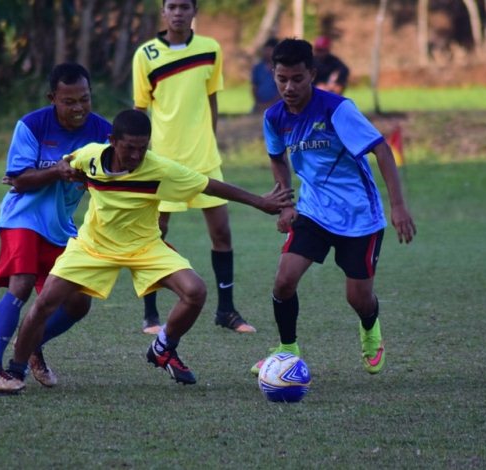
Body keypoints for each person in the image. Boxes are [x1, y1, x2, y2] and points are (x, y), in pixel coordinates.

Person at [4, 109, 293, 391]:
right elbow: (68, 165)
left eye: (142, 149)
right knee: (44, 303)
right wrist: (62, 173)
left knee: (195, 291)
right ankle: (16, 370)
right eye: (129, 148)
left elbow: (210, 186)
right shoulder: (90, 155)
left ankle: (163, 347)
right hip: (94, 246)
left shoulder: (159, 169)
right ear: (112, 141)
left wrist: (259, 202)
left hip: (145, 247)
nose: (135, 156)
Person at [250, 38, 416, 376]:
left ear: (312, 73)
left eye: (297, 78)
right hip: (313, 212)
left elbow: (382, 150)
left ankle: (370, 328)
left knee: (358, 298)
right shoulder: (274, 116)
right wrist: (285, 203)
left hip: (359, 216)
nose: (289, 87)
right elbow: (277, 158)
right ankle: (286, 351)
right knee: (284, 281)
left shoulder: (337, 110)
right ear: (274, 74)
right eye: (282, 79)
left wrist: (397, 206)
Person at [0, 63, 112, 393]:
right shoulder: (32, 125)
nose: (78, 108)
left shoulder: (104, 132)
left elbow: (112, 176)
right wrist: (57, 171)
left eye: (84, 99)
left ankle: (31, 344)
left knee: (79, 302)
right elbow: (19, 180)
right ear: (53, 98)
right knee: (20, 285)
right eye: (69, 101)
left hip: (61, 225)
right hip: (23, 217)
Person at [132, 0, 256, 335]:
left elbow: (212, 98)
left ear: (194, 11)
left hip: (203, 160)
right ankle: (150, 315)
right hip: (162, 161)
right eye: (171, 6)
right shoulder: (145, 55)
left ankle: (226, 311)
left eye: (184, 6)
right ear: (163, 12)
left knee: (222, 233)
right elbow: (139, 110)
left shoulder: (210, 49)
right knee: (154, 233)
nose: (178, 12)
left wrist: (210, 141)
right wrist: (138, 157)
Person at [251, 37, 279, 113]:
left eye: (270, 50)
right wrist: (259, 103)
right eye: (266, 50)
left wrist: (271, 104)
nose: (267, 53)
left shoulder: (280, 68)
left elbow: (281, 90)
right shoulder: (258, 68)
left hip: (277, 105)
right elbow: (254, 87)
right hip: (259, 106)